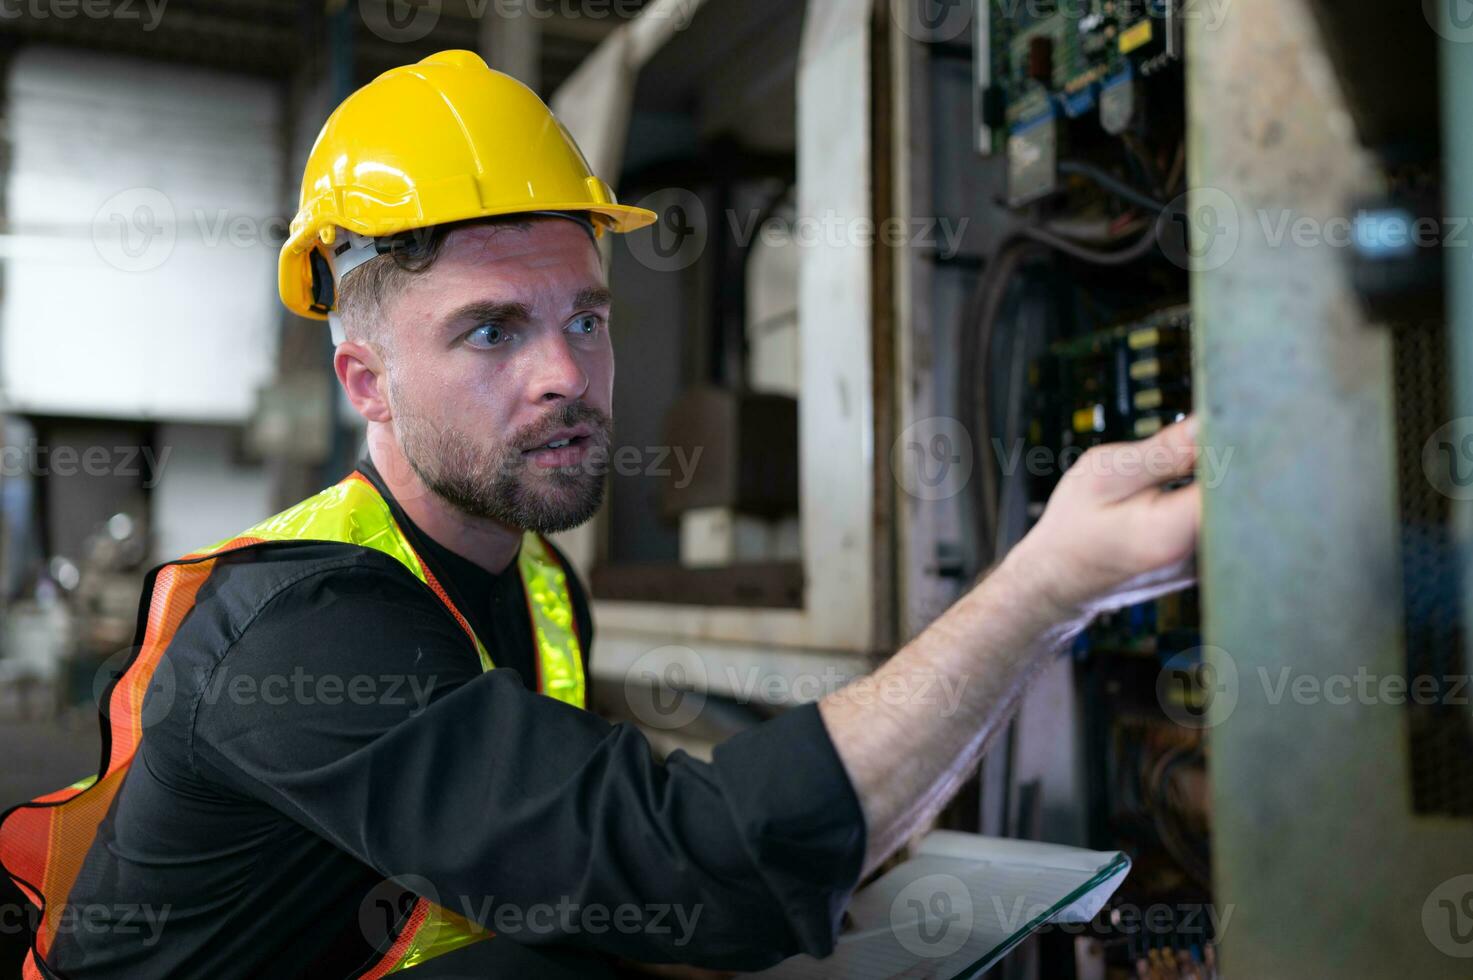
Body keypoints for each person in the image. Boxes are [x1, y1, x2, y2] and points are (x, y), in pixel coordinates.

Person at [0, 50, 1200, 979]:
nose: (567, 373)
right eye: (491, 329)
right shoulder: (306, 633)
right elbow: (686, 865)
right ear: (368, 382)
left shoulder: (534, 583)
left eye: (586, 316)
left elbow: (589, 830)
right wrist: (1048, 584)